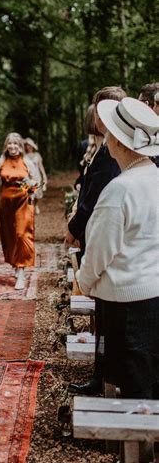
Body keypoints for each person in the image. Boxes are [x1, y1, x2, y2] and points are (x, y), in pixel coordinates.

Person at [76, 97, 159, 463]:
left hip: (126, 300)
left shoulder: (120, 189)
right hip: (154, 292)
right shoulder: (155, 178)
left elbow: (100, 250)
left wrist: (84, 281)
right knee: (150, 380)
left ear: (120, 142)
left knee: (134, 386)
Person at [67, 85, 127, 396]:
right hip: (95, 232)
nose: (103, 117)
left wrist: (75, 226)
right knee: (101, 316)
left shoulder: (115, 150)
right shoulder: (103, 146)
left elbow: (95, 197)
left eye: (111, 110)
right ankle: (100, 374)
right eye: (100, 110)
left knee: (106, 314)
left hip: (105, 234)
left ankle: (106, 378)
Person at [0, 132, 36, 290]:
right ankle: (15, 264)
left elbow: (36, 182)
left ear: (20, 146)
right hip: (6, 204)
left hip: (23, 202)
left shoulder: (27, 162)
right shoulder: (1, 161)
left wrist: (32, 187)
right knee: (9, 236)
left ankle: (22, 272)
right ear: (6, 146)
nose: (12, 147)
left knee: (21, 234)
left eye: (16, 144)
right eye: (10, 144)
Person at [23, 138, 48, 214]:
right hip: (28, 177)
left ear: (32, 146)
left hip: (37, 176)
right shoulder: (24, 155)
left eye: (29, 145)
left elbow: (41, 166)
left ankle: (36, 205)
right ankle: (30, 207)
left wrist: (44, 175)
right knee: (29, 193)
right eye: (27, 145)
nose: (28, 147)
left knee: (38, 194)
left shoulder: (37, 155)